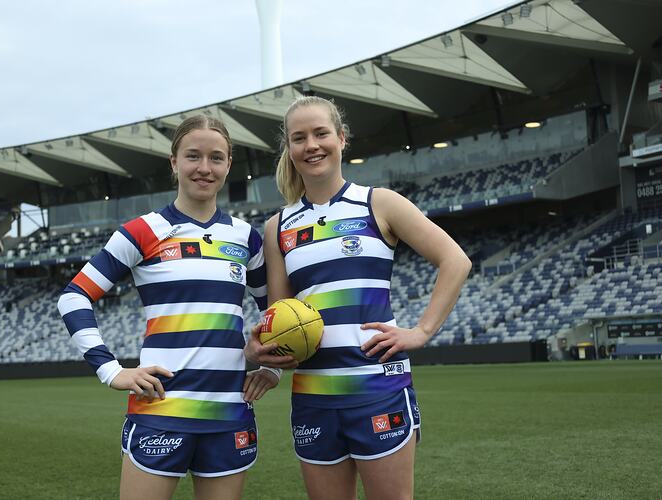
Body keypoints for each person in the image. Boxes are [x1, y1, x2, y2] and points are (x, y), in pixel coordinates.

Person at [246, 96, 472, 500]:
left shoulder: (378, 202)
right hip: (314, 398)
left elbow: (455, 260)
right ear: (289, 149)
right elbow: (278, 315)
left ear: (341, 138)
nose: (311, 145)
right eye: (299, 138)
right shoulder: (277, 226)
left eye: (320, 133)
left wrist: (420, 331)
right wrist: (262, 352)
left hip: (378, 390)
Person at [57, 115, 289, 500]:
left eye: (216, 158)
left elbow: (277, 315)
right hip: (160, 409)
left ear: (229, 165)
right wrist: (110, 370)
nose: (204, 168)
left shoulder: (246, 238)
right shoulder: (140, 231)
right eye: (193, 156)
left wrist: (271, 368)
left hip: (228, 412)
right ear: (174, 162)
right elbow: (74, 296)